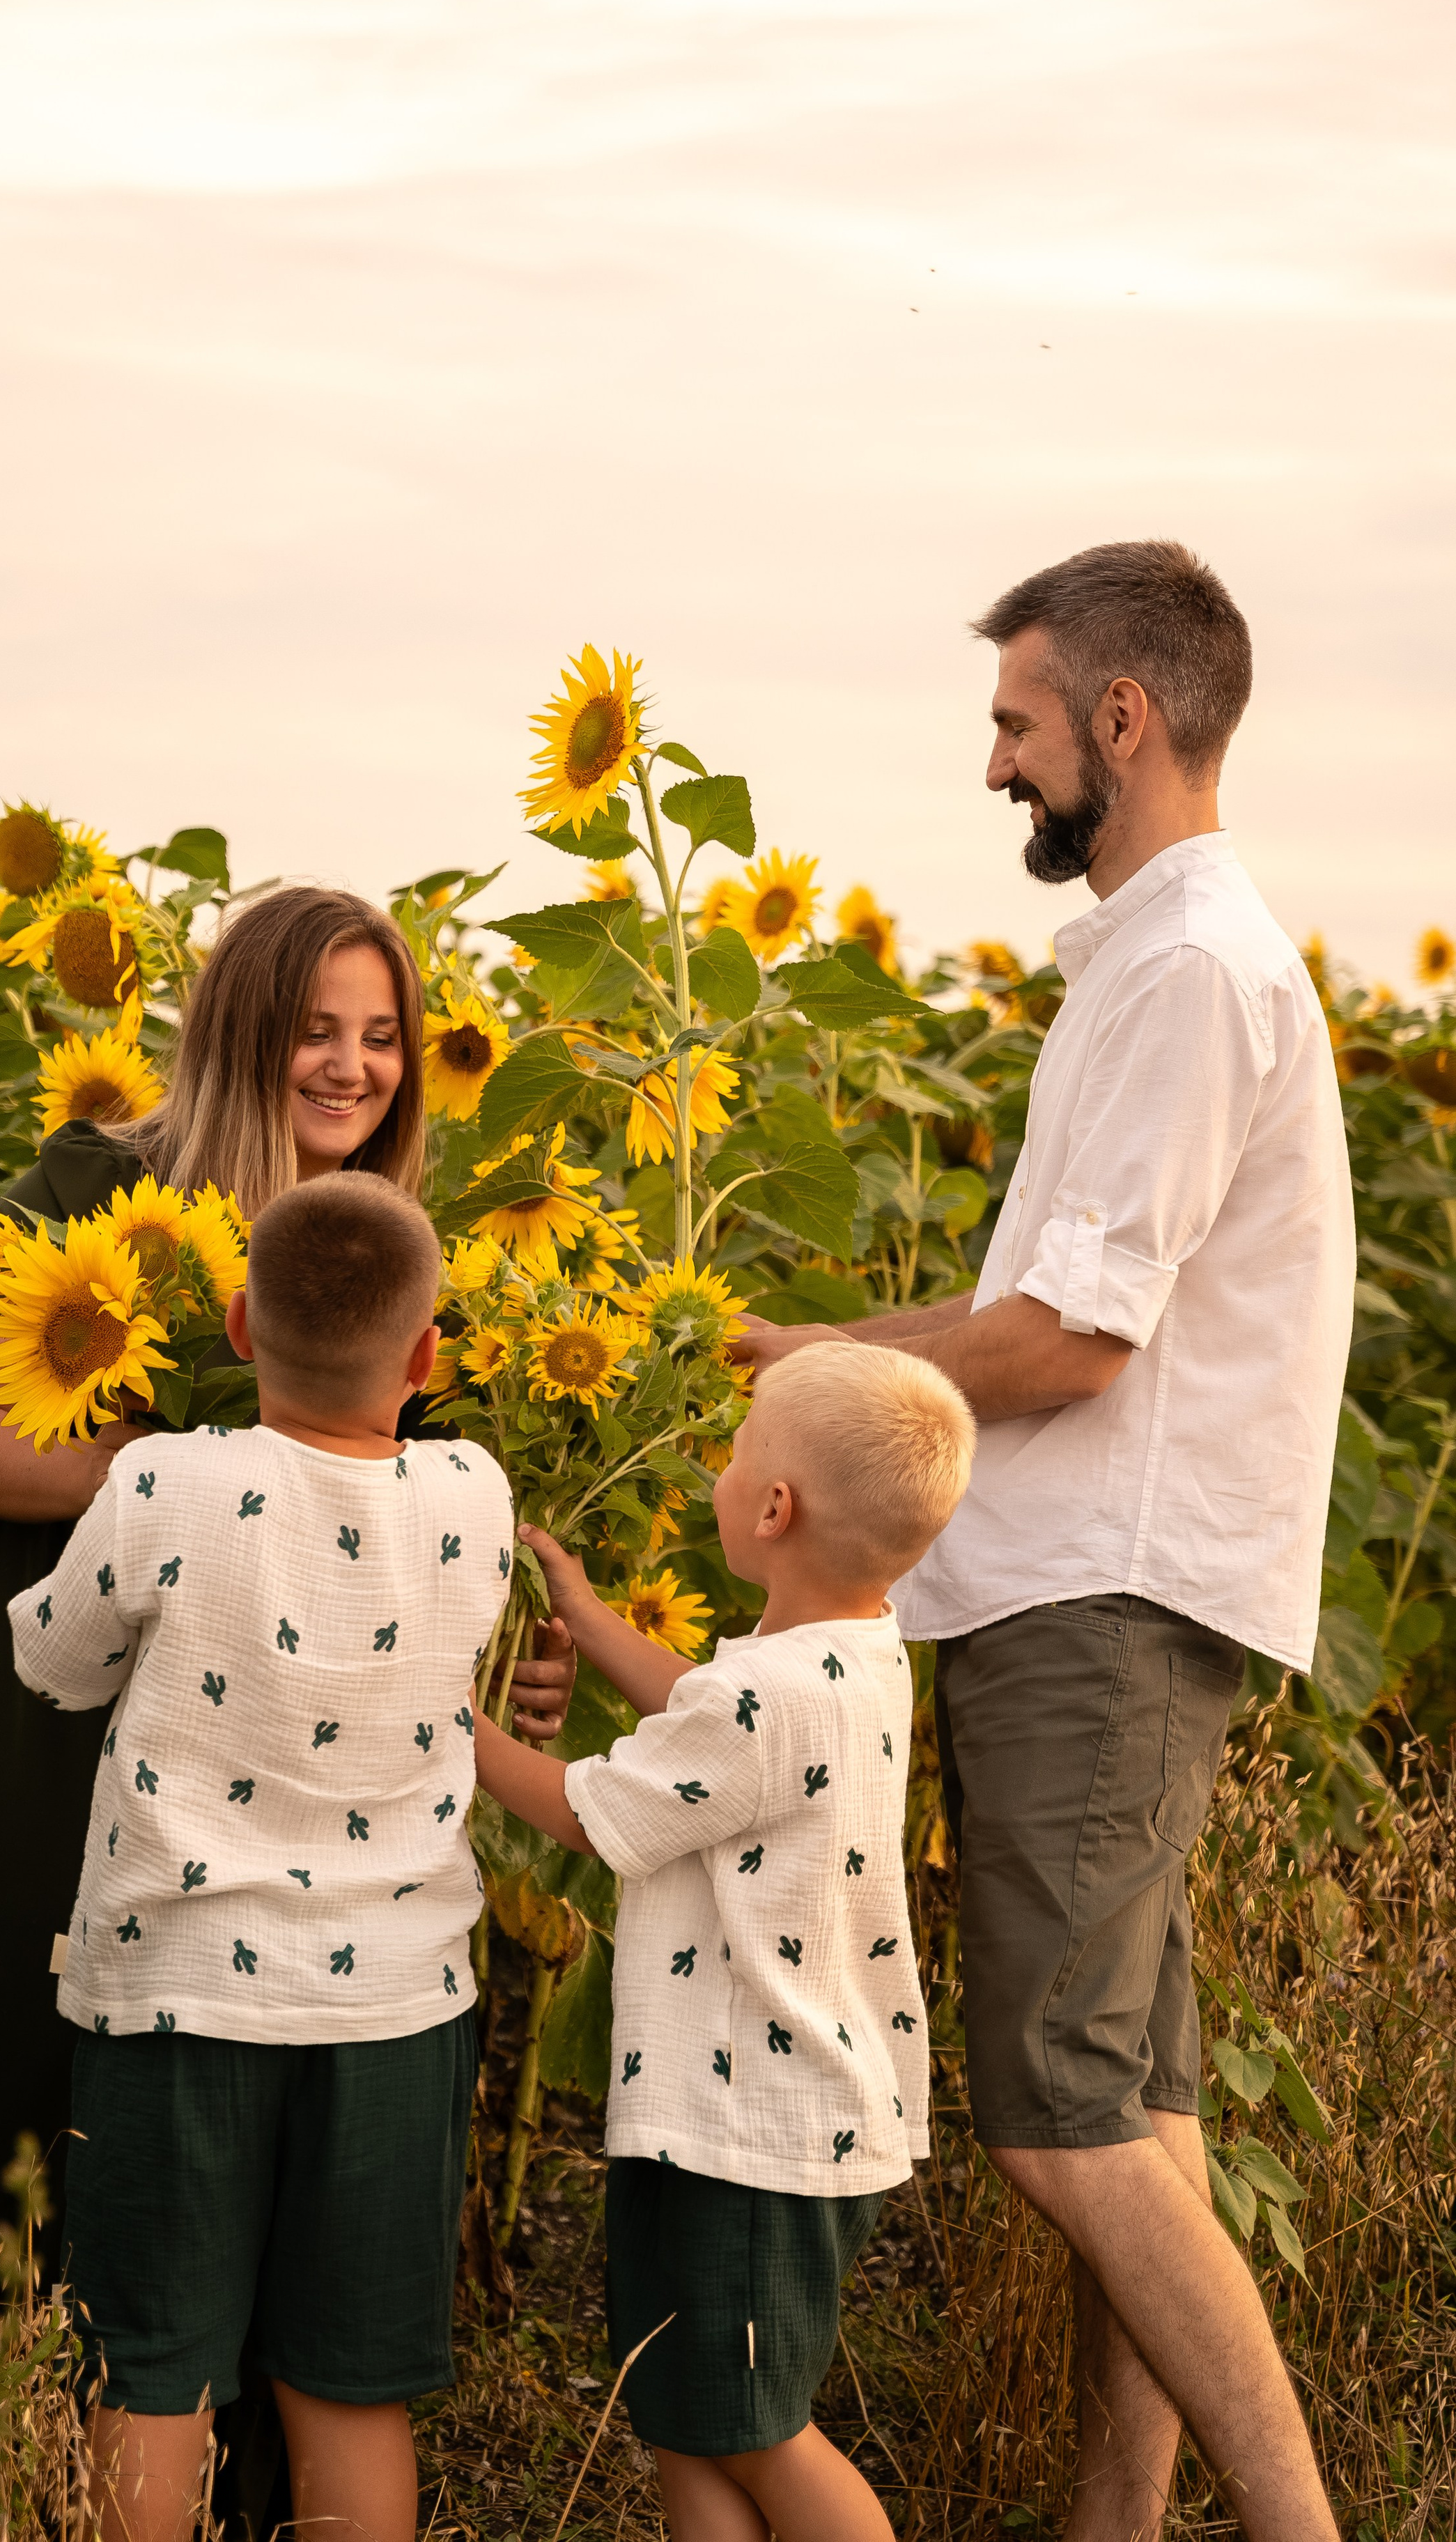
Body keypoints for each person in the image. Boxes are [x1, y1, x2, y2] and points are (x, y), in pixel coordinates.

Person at [739, 541, 1352, 2542]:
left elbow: (1074, 1346)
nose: (995, 762)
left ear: (1123, 718)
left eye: (1018, 720)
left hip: (1111, 1590)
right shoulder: (1170, 960)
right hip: (1116, 1588)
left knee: (1059, 2113)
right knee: (1138, 2106)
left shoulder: (1186, 971)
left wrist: (807, 1352)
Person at [0, 885, 573, 2305]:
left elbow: (420, 1519)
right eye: (315, 1030)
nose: (352, 1066)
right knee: (15, 2038)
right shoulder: (92, 1185)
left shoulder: (388, 1240)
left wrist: (503, 1673)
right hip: (72, 1722)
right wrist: (169, 1478)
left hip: (289, 1789)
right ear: (244, 1029)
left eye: (380, 1036)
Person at [14, 1172, 534, 2542]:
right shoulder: (473, 1494)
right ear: (427, 1356)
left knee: (153, 2369)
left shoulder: (161, 1482)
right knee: (352, 2388)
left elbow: (52, 1661)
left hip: (174, 1991)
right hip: (397, 2006)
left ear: (238, 1323)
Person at [474, 1343, 976, 2542]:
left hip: (749, 2133)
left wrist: (446, 1724)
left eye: (737, 1448)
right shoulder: (847, 1657)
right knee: (685, 2409)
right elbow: (713, 1714)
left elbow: (594, 1816)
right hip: (750, 2115)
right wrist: (592, 1624)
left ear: (772, 1506)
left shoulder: (768, 1701)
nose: (722, 1465)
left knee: (756, 2427)